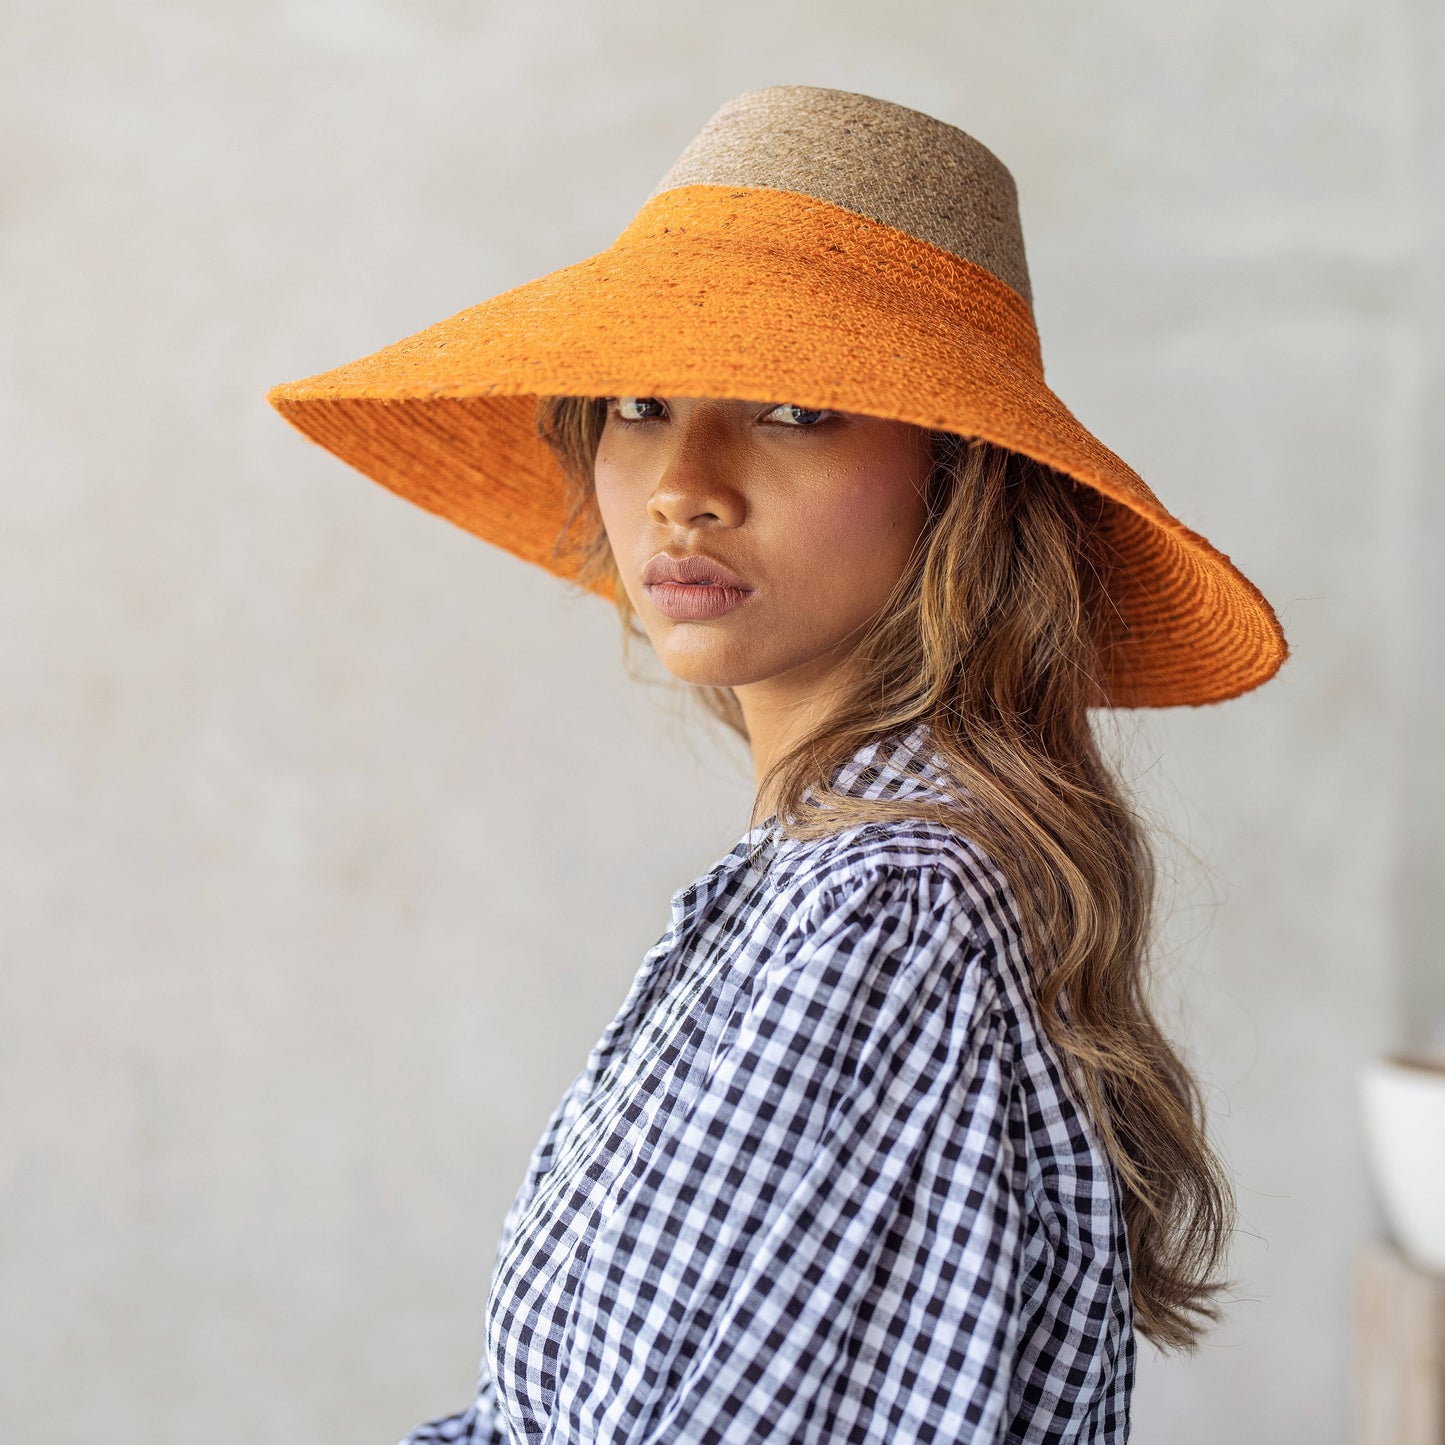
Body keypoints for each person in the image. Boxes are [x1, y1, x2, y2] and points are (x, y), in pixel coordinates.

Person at [267, 84, 1287, 1445]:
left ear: (957, 476)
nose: (684, 482)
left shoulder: (886, 910)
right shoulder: (820, 880)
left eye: (796, 407)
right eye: (636, 403)